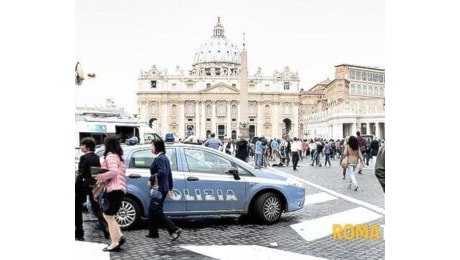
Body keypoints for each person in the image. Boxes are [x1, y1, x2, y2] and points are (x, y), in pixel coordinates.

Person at [94, 136, 127, 252]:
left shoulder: (111, 156)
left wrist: (100, 176)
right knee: (108, 216)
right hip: (118, 189)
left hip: (114, 189)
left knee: (109, 216)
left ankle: (114, 242)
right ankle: (119, 236)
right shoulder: (119, 156)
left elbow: (113, 172)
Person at [146, 138, 183, 240]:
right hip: (163, 188)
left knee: (156, 211)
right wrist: (170, 187)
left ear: (156, 147)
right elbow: (169, 173)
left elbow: (163, 172)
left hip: (159, 189)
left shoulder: (160, 159)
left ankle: (174, 229)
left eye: (152, 146)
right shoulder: (164, 157)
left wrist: (151, 178)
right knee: (152, 210)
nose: (150, 148)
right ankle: (153, 232)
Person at [75, 137, 109, 241]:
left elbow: (80, 174)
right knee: (97, 209)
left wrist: (76, 187)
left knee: (77, 209)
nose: (81, 147)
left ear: (87, 146)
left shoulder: (84, 157)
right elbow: (96, 172)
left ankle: (79, 232)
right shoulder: (96, 157)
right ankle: (107, 230)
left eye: (82, 145)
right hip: (93, 185)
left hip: (83, 186)